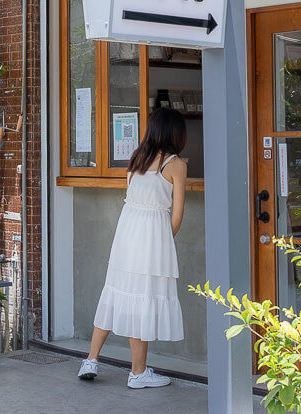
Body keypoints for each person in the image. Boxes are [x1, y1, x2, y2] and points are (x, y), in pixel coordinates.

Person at [77, 108, 188, 389]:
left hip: (125, 236)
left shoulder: (137, 158)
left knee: (115, 292)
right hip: (152, 241)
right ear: (175, 133)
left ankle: (91, 359)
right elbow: (176, 216)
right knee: (142, 299)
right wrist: (162, 243)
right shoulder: (176, 165)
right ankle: (138, 374)